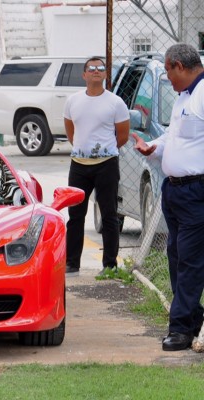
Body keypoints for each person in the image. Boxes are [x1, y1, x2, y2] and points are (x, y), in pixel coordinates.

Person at [132, 43, 204, 351]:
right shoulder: (184, 98)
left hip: (195, 191)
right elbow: (176, 136)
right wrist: (155, 147)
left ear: (179, 66)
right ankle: (192, 319)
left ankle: (180, 330)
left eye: (167, 71)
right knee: (176, 258)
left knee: (188, 260)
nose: (167, 79)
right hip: (173, 190)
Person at [63, 57, 130, 277]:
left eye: (100, 68)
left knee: (109, 215)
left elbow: (122, 136)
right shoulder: (73, 101)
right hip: (79, 166)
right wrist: (84, 149)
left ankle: (109, 265)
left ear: (105, 75)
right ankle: (72, 263)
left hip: (106, 165)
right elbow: (71, 132)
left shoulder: (116, 102)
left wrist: (102, 151)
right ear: (84, 75)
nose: (96, 71)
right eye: (91, 68)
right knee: (75, 216)